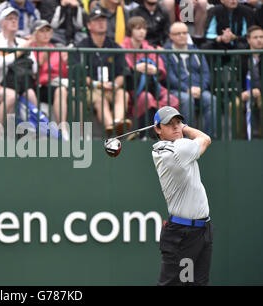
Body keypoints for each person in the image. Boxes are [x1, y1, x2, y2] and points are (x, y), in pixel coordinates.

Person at [152, 106, 213, 286]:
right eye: (169, 124)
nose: (176, 127)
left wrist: (179, 128)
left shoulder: (175, 146)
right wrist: (186, 128)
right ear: (157, 129)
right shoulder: (175, 150)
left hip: (202, 230)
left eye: (178, 122)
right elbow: (205, 139)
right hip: (182, 234)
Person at [0, 7, 38, 137]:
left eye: (16, 18)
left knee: (31, 94)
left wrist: (30, 48)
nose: (14, 21)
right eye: (9, 18)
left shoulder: (23, 42)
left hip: (18, 84)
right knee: (11, 95)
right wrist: (18, 53)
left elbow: (34, 68)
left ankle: (32, 131)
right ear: (1, 23)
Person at [76, 8, 131, 137]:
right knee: (100, 101)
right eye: (96, 20)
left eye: (103, 20)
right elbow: (79, 74)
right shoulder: (82, 45)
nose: (101, 23)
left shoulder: (114, 46)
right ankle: (114, 132)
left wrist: (115, 85)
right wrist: (98, 85)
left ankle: (117, 123)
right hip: (92, 88)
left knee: (123, 93)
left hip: (111, 87)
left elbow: (123, 72)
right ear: (89, 25)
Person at [121, 16, 178, 137]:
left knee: (172, 99)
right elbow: (123, 70)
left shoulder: (150, 48)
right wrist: (135, 68)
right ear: (130, 30)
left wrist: (155, 69)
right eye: (138, 28)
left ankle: (171, 136)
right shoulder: (122, 48)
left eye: (144, 29)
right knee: (145, 98)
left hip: (153, 87)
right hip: (132, 89)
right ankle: (145, 136)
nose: (142, 32)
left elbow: (161, 71)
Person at [163, 22, 217, 137]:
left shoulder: (196, 51)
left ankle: (208, 138)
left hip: (199, 89)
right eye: (178, 33)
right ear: (170, 36)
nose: (182, 36)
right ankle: (186, 138)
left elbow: (206, 74)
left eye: (184, 33)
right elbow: (170, 78)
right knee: (187, 100)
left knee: (212, 100)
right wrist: (187, 89)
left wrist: (200, 88)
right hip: (178, 90)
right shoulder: (166, 53)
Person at [31, 19, 70, 139]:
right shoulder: (30, 49)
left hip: (57, 84)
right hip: (38, 86)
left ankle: (76, 134)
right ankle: (61, 130)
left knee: (71, 92)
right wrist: (41, 62)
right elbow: (32, 74)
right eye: (42, 31)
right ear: (35, 34)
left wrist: (65, 62)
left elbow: (63, 74)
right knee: (61, 90)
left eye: (48, 31)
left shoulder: (56, 49)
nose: (45, 34)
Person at [240, 25, 262, 138]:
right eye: (256, 37)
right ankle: (240, 139)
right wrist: (242, 92)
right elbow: (236, 78)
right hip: (245, 93)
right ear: (248, 40)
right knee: (235, 104)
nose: (259, 40)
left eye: (261, 37)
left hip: (260, 93)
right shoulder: (241, 57)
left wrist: (259, 91)